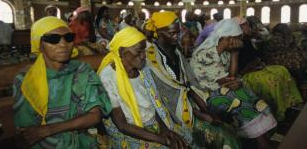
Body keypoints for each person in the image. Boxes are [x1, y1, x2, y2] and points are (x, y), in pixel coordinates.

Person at [145, 11, 240, 149]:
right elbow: (161, 98)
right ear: (158, 33)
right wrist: (201, 114)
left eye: (178, 33)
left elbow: (187, 86)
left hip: (188, 106)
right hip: (169, 115)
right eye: (171, 33)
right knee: (221, 137)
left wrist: (206, 111)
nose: (177, 37)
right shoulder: (150, 60)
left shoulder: (176, 52)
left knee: (228, 131)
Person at [13, 16, 112, 148]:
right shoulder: (25, 81)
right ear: (39, 44)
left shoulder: (81, 71)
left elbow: (94, 116)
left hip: (81, 142)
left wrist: (48, 129)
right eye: (53, 39)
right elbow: (28, 132)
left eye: (69, 38)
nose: (63, 44)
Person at [98, 27, 193, 148]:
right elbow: (121, 125)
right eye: (138, 52)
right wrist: (161, 139)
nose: (143, 56)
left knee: (185, 137)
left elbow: (155, 105)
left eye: (144, 50)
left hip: (152, 124)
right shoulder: (108, 77)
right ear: (122, 51)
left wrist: (164, 130)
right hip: (129, 131)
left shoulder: (143, 71)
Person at [190, 19, 277, 148]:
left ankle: (260, 134)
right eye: (238, 38)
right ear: (228, 38)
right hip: (204, 97)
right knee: (238, 96)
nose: (240, 42)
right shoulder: (206, 54)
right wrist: (235, 55)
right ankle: (261, 140)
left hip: (218, 89)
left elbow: (231, 78)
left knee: (243, 90)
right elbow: (229, 79)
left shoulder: (224, 53)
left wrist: (233, 57)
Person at [234, 17, 302, 121]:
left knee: (282, 70)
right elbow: (238, 69)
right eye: (245, 25)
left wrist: (258, 62)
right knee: (273, 80)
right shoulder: (235, 42)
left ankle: (290, 103)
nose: (249, 27)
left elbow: (257, 56)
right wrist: (252, 66)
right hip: (245, 73)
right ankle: (277, 112)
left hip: (256, 68)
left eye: (248, 24)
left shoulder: (247, 40)